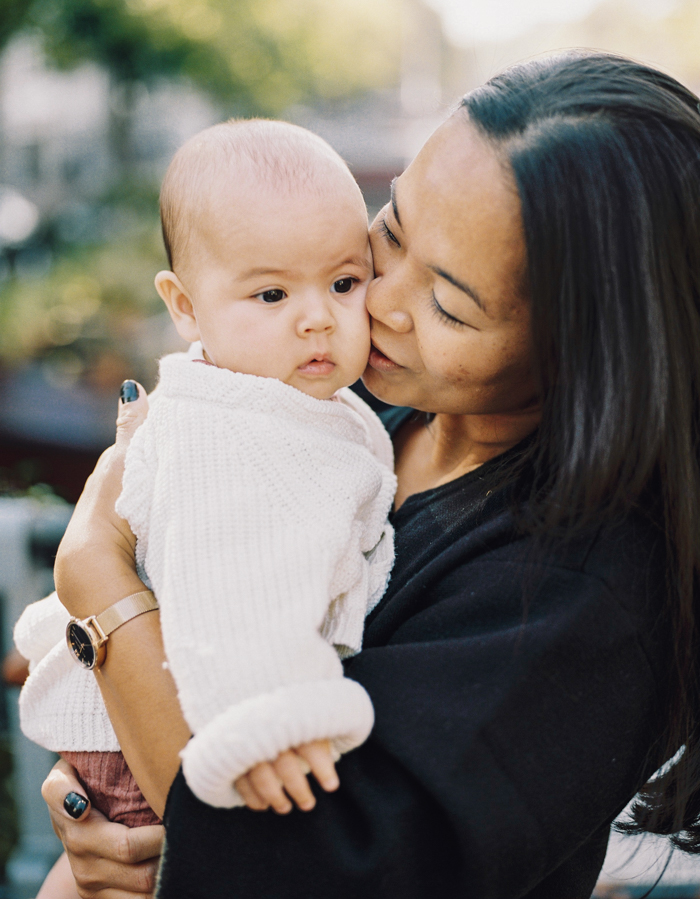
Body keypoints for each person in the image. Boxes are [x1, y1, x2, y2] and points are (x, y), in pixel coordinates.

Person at [39, 50, 700, 898]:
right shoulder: (359, 401)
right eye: (390, 232)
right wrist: (90, 805)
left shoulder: (584, 594)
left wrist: (95, 574)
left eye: (449, 305)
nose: (376, 304)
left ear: (588, 354)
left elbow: (310, 868)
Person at [17, 119, 395, 896]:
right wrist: (275, 714)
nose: (317, 316)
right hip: (159, 734)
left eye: (345, 283)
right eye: (270, 293)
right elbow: (232, 593)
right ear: (185, 307)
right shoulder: (226, 431)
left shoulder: (290, 401)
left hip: (161, 708)